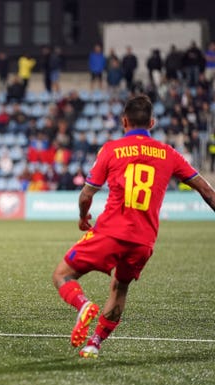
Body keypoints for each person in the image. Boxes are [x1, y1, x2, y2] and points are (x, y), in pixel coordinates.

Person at [52, 94, 215, 358]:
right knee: (120, 288)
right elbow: (207, 191)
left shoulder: (111, 149)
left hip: (110, 232)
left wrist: (83, 217)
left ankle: (83, 306)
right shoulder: (169, 153)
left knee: (62, 275)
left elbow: (86, 195)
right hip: (143, 242)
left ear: (124, 121)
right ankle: (94, 344)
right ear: (151, 122)